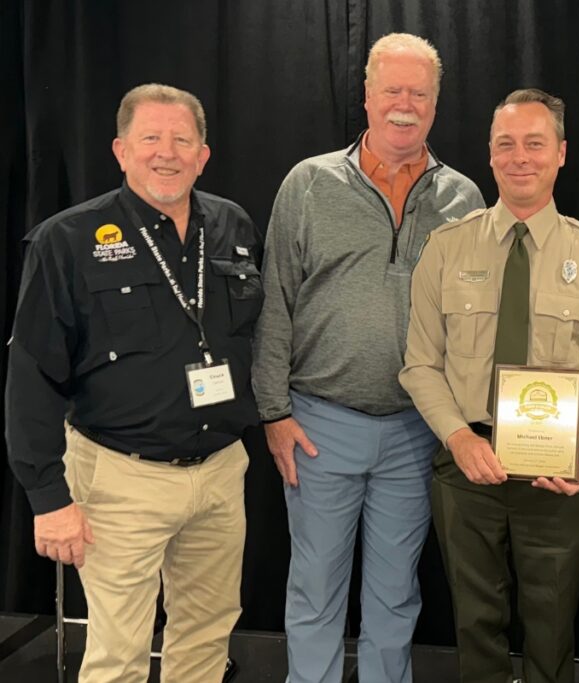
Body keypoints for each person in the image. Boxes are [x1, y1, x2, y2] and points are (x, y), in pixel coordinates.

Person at [5, 83, 262, 682]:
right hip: (121, 480)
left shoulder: (233, 225)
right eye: (151, 138)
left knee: (206, 635)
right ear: (121, 150)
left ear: (204, 155)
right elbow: (31, 377)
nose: (166, 153)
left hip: (221, 474)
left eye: (182, 140)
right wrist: (48, 499)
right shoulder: (66, 240)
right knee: (119, 653)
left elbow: (254, 337)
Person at [252, 33, 484, 683]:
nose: (404, 105)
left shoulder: (463, 199)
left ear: (436, 105)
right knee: (317, 589)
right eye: (393, 90)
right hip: (319, 423)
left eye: (419, 93)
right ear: (367, 96)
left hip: (416, 430)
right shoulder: (308, 184)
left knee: (395, 594)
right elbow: (276, 304)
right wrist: (273, 410)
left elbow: (475, 319)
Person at [399, 88, 579, 683]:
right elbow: (420, 363)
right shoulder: (447, 249)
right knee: (476, 621)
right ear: (491, 155)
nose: (519, 156)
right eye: (506, 144)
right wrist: (457, 438)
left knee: (553, 625)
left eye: (535, 143)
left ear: (561, 154)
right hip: (467, 468)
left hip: (557, 474)